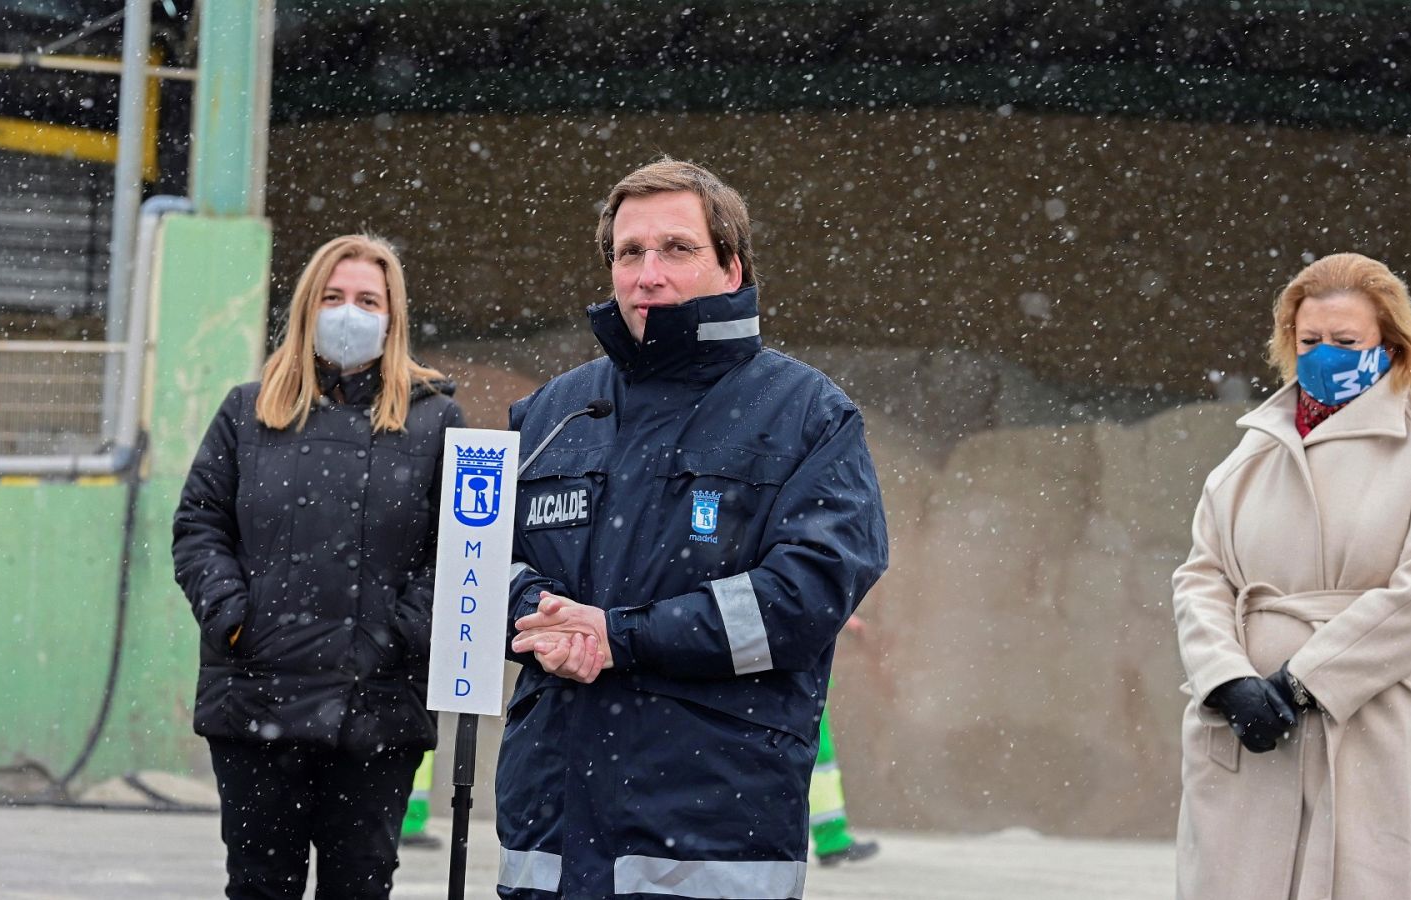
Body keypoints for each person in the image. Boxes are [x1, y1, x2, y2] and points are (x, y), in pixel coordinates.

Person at [494, 159, 889, 900]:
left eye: (676, 249)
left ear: (731, 267)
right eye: (629, 253)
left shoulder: (808, 415)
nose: (648, 274)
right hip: (546, 837)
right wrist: (538, 621)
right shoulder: (550, 415)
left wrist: (623, 636)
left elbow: (806, 595)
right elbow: (474, 568)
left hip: (714, 841)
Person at [1172, 252, 1411, 900]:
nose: (1324, 356)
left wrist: (1300, 684)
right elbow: (1202, 577)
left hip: (1367, 722)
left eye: (1345, 341)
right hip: (1246, 734)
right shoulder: (1252, 448)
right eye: (1310, 341)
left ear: (1389, 342)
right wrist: (1230, 685)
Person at [172, 234, 464, 899]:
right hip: (255, 700)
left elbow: (454, 548)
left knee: (359, 888)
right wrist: (234, 620)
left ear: (394, 318)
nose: (349, 313)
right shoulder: (247, 412)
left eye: (367, 299)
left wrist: (395, 635)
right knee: (259, 886)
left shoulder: (437, 419)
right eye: (332, 297)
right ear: (306, 308)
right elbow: (199, 527)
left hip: (377, 709)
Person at [809, 615, 879, 867]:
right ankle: (830, 839)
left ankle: (831, 838)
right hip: (800, 677)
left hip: (801, 676)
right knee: (817, 758)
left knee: (817, 759)